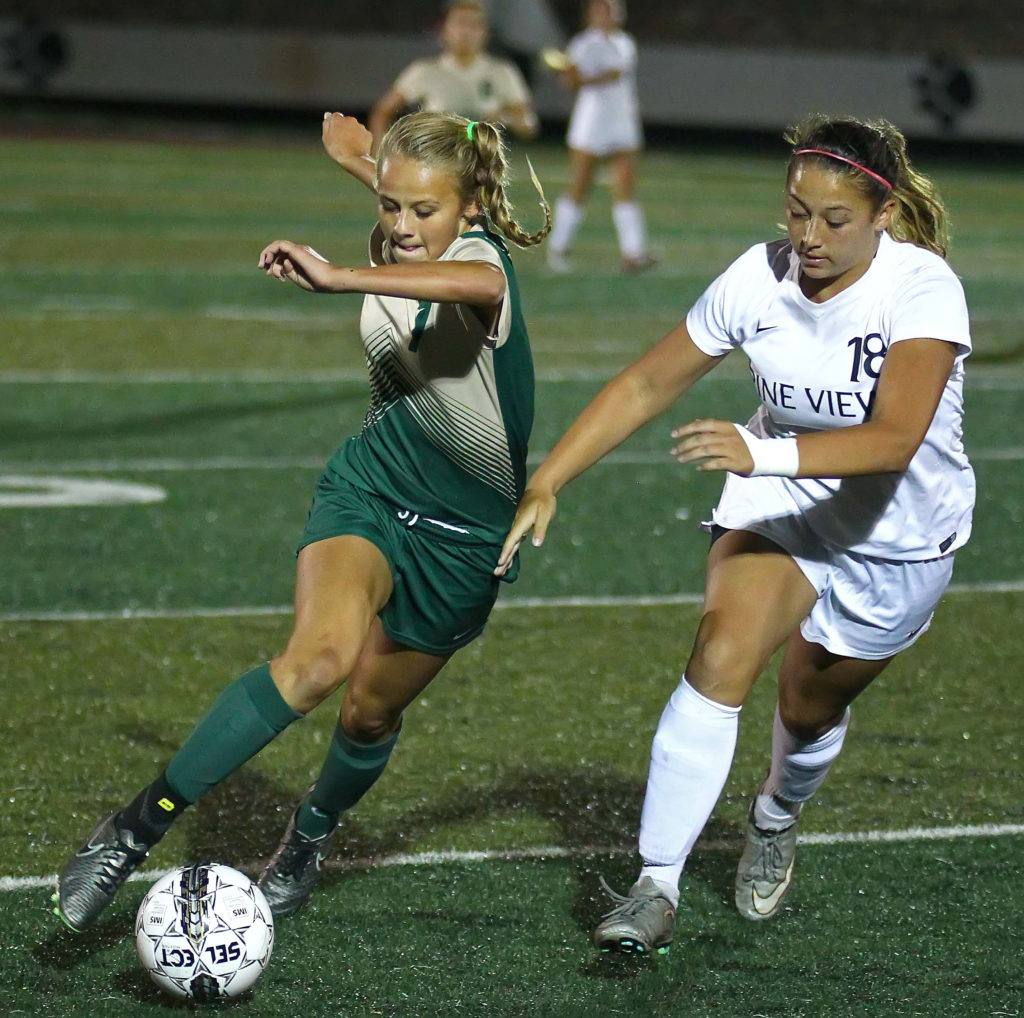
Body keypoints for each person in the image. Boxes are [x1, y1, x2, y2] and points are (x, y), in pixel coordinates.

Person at [54, 109, 551, 932]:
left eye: (422, 211)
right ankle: (134, 830)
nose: (398, 226)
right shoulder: (414, 220)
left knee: (368, 712)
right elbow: (403, 192)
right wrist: (359, 158)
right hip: (369, 489)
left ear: (468, 209)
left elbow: (475, 282)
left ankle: (306, 838)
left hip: (464, 544)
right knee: (318, 661)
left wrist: (339, 275)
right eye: (390, 205)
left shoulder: (479, 262)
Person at [497, 113, 975, 954]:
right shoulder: (759, 276)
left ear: (883, 216)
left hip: (899, 532)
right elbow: (649, 383)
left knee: (809, 700)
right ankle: (656, 884)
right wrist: (549, 478)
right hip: (785, 506)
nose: (808, 237)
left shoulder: (922, 288)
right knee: (720, 653)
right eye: (796, 213)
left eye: (834, 220)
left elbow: (896, 439)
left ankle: (776, 813)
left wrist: (762, 451)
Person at [545, 0, 655, 274]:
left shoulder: (624, 42)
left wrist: (586, 75)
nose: (609, 14)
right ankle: (558, 247)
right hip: (591, 123)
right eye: (603, 9)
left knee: (625, 187)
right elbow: (569, 82)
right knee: (580, 186)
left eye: (613, 9)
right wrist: (571, 72)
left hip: (621, 122)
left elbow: (617, 74)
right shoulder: (582, 44)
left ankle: (633, 253)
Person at [369, 0, 538, 154]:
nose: (466, 31)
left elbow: (529, 125)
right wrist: (380, 153)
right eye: (460, 23)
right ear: (444, 30)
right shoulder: (424, 71)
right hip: (435, 161)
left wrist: (503, 118)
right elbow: (382, 112)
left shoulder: (502, 72)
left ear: (485, 32)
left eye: (474, 24)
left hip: (483, 166)